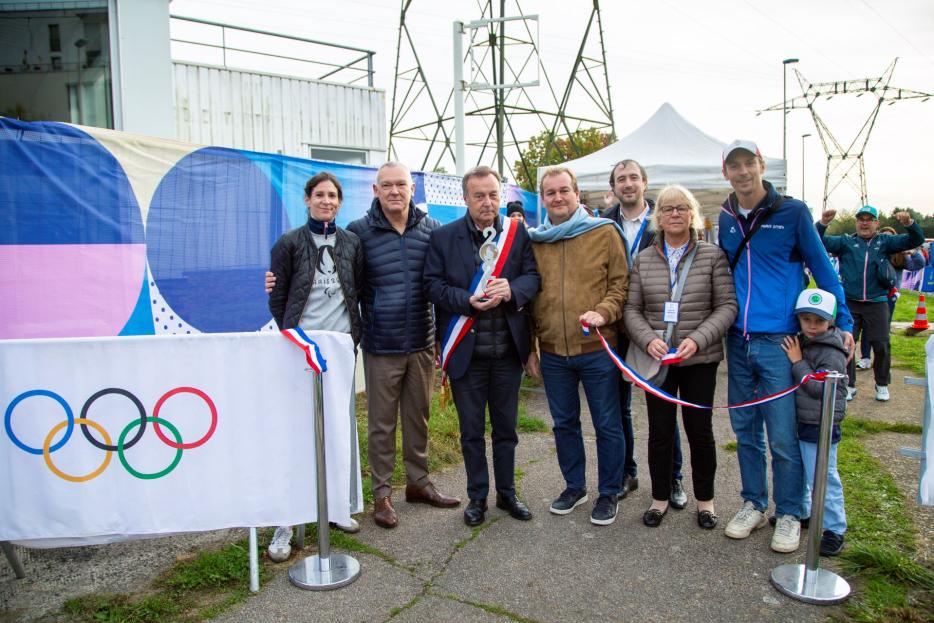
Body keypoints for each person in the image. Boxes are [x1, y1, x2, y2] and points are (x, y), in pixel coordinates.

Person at [265, 162, 461, 530]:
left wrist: (440, 340)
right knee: (381, 425)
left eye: (401, 184)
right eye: (386, 185)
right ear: (375, 190)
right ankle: (382, 495)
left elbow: (442, 283)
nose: (394, 191)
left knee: (418, 418)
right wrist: (278, 282)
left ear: (411, 189)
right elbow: (338, 284)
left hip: (421, 340)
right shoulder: (358, 234)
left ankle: (419, 483)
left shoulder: (432, 230)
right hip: (380, 343)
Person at [718, 139, 854, 554]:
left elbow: (822, 269)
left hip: (781, 340)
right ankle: (754, 502)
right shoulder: (724, 216)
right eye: (734, 165)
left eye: (749, 163)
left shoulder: (792, 212)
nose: (742, 172)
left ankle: (791, 511)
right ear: (725, 172)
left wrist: (844, 320)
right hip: (737, 341)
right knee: (745, 430)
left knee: (781, 433)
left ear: (761, 165)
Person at [423, 166, 541, 526]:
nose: (487, 202)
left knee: (506, 430)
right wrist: (465, 299)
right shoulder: (443, 238)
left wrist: (512, 290)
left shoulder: (517, 235)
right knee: (471, 432)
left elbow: (533, 277)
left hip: (506, 353)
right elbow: (431, 285)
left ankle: (507, 493)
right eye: (479, 195)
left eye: (493, 195)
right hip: (466, 355)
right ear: (465, 198)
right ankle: (477, 498)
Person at [624, 185, 737, 529]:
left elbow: (727, 307)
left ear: (693, 215)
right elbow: (632, 309)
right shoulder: (643, 260)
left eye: (682, 208)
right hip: (659, 360)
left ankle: (706, 501)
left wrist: (698, 340)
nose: (675, 214)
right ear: (658, 218)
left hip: (699, 360)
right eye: (668, 209)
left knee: (699, 430)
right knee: (659, 431)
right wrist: (646, 340)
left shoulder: (712, 256)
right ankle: (659, 498)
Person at [266, 172, 364, 561]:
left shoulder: (353, 243)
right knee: (296, 434)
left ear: (340, 203)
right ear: (307, 199)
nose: (326, 201)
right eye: (319, 195)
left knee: (340, 429)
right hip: (301, 349)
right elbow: (277, 298)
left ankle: (337, 508)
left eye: (333, 196)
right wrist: (292, 335)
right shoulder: (289, 243)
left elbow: (360, 288)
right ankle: (286, 521)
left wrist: (354, 338)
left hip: (340, 347)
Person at [525, 167, 628, 526]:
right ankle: (575, 486)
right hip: (553, 352)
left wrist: (603, 312)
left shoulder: (604, 233)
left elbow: (620, 285)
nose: (557, 197)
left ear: (577, 192)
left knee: (607, 424)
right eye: (550, 192)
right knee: (564, 423)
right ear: (543, 198)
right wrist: (531, 347)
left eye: (564, 190)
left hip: (597, 349)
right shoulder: (536, 240)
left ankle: (609, 490)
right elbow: (529, 296)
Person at [602, 159, 686, 508]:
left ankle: (673, 479)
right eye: (621, 179)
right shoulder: (602, 222)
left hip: (655, 328)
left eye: (633, 178)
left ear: (645, 183)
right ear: (614, 186)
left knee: (663, 406)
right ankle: (627, 473)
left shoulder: (662, 221)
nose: (628, 184)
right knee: (619, 407)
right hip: (616, 327)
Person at [818, 206, 923, 402]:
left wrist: (909, 223)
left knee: (881, 344)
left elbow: (915, 240)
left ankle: (882, 384)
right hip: (850, 302)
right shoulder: (846, 242)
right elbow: (817, 241)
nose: (864, 223)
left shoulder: (885, 242)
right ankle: (848, 384)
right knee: (846, 344)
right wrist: (823, 223)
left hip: (877, 302)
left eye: (869, 219)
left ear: (877, 223)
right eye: (861, 219)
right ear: (856, 222)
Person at [781, 288, 849, 556]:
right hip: (804, 420)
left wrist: (798, 362)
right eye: (806, 319)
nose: (811, 326)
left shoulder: (831, 350)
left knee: (824, 475)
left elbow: (821, 388)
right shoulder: (805, 341)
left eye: (819, 320)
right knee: (806, 471)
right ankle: (807, 512)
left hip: (821, 424)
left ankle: (834, 529)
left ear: (830, 321)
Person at [856, 231, 925, 369]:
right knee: (867, 327)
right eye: (884, 236)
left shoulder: (899, 256)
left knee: (883, 329)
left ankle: (881, 361)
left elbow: (919, 263)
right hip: (872, 295)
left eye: (890, 237)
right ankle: (865, 357)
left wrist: (913, 251)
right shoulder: (874, 253)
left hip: (889, 296)